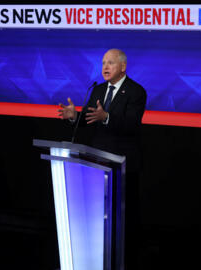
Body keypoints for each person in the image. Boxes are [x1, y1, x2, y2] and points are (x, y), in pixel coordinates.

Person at [58, 48, 147, 269]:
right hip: (97, 166)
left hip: (123, 167)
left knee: (122, 223)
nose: (105, 67)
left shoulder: (136, 92)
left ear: (123, 67)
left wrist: (106, 117)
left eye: (111, 63)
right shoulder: (97, 90)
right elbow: (91, 118)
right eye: (103, 63)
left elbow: (132, 125)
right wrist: (75, 116)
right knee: (100, 219)